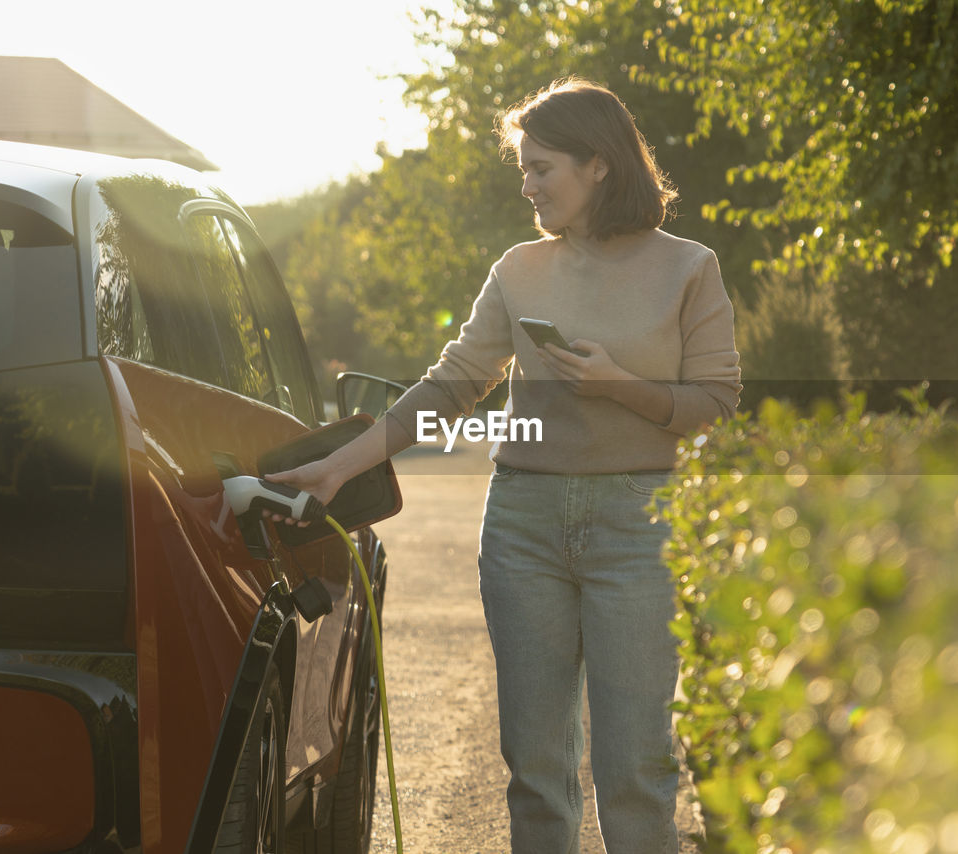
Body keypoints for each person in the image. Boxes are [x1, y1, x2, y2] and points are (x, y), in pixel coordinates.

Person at [269, 77, 741, 854]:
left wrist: (618, 384)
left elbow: (717, 401)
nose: (528, 186)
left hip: (639, 523)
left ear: (599, 166)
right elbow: (453, 384)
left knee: (635, 772)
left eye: (541, 168)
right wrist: (341, 464)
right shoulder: (520, 269)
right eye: (523, 169)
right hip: (523, 525)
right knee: (536, 769)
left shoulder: (688, 267)